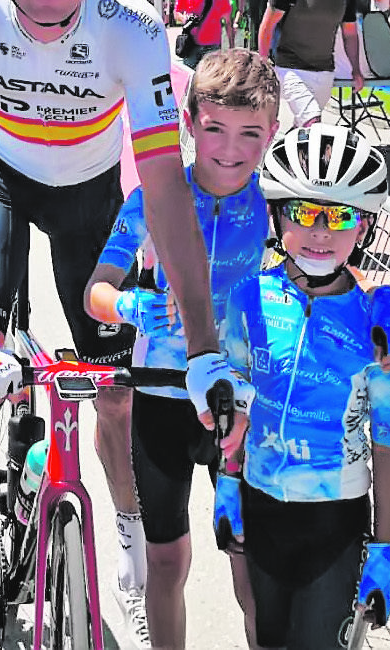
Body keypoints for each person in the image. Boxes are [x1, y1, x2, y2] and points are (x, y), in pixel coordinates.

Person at [0, 0, 242, 650]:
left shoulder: (131, 26)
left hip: (90, 192)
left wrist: (204, 346)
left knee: (115, 391)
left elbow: (166, 185)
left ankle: (134, 568)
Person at [85, 49, 279, 649]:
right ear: (189, 122)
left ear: (273, 132)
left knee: (248, 563)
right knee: (167, 562)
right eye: (215, 127)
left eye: (250, 132)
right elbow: (97, 292)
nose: (230, 147)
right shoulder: (153, 196)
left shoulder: (276, 205)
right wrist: (130, 306)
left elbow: (322, 271)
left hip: (238, 403)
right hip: (162, 397)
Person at [215, 124, 390, 650]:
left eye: (341, 216)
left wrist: (385, 546)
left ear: (366, 227)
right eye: (304, 212)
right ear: (277, 215)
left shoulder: (380, 325)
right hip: (259, 503)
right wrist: (226, 483)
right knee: (263, 637)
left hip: (335, 520)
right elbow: (232, 405)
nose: (321, 232)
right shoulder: (248, 299)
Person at [257, 0, 363, 127]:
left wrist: (356, 69)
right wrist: (263, 65)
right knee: (313, 122)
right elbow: (267, 26)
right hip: (290, 68)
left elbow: (350, 35)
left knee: (302, 128)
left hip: (324, 71)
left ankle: (280, 156)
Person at [175, 0, 235, 69]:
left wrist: (231, 45)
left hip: (212, 45)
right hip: (191, 43)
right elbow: (177, 13)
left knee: (210, 79)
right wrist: (185, 19)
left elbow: (228, 22)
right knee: (190, 76)